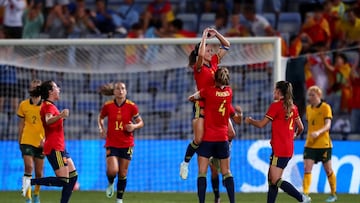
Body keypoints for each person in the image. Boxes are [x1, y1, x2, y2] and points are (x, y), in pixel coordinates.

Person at [179, 27, 233, 180]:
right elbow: (201, 54)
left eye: (211, 50)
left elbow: (227, 45)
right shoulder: (198, 67)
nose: (211, 52)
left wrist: (216, 34)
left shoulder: (215, 63)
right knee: (198, 139)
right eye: (209, 49)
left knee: (231, 133)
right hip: (202, 104)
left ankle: (216, 156)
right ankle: (185, 162)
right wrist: (204, 36)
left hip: (215, 105)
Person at [245, 81, 311, 203]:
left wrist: (250, 121)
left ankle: (301, 198)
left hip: (279, 149)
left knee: (275, 179)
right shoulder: (293, 107)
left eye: (275, 90)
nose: (273, 92)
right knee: (271, 178)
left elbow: (261, 124)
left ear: (279, 93)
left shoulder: (276, 106)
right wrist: (293, 135)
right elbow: (301, 127)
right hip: (288, 148)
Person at [188, 67, 243, 203]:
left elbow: (192, 98)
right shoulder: (229, 93)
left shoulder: (208, 92)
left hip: (208, 139)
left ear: (214, 79)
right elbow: (234, 117)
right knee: (227, 172)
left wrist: (196, 98)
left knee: (202, 172)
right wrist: (240, 115)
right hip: (223, 139)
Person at [21, 80, 78, 203]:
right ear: (50, 91)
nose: (59, 89)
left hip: (61, 146)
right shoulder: (48, 106)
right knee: (63, 180)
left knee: (73, 176)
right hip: (55, 147)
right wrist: (60, 116)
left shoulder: (50, 105)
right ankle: (30, 182)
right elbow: (48, 120)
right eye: (56, 87)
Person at [98, 82, 144, 203]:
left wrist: (134, 126)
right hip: (112, 142)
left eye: (123, 88)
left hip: (127, 143)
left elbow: (141, 122)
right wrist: (101, 129)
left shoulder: (132, 106)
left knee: (123, 173)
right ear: (114, 92)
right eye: (118, 89)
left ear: (126, 91)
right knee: (113, 170)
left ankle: (119, 200)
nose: (120, 91)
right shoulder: (108, 106)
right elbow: (101, 117)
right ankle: (111, 182)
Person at [302, 85, 337, 202]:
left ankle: (333, 194)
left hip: (324, 145)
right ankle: (305, 195)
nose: (310, 97)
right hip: (310, 144)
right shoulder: (308, 109)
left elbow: (328, 125)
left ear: (319, 95)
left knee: (328, 170)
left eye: (312, 95)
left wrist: (318, 132)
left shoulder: (326, 107)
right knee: (307, 169)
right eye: (309, 95)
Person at [17, 79, 44, 203]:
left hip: (41, 142)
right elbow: (21, 124)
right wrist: (19, 139)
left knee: (39, 173)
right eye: (32, 87)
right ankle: (28, 199)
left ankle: (36, 194)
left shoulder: (46, 106)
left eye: (37, 87)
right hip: (27, 140)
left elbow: (50, 125)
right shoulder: (23, 105)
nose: (34, 89)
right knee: (28, 167)